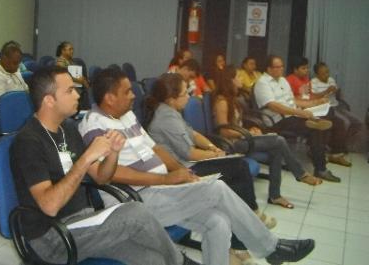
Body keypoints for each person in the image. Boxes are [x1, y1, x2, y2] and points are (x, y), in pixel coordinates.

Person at [79, 67, 315, 265]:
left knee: (218, 222)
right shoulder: (94, 124)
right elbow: (110, 174)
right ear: (109, 98)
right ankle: (270, 248)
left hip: (162, 190)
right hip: (135, 201)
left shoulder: (127, 117)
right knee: (217, 189)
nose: (133, 96)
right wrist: (165, 179)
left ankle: (268, 247)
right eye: (127, 91)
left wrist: (181, 172)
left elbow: (156, 149)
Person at [11, 66, 198, 265]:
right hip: (52, 238)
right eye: (69, 91)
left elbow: (102, 177)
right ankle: (183, 263)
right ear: (49, 100)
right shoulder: (28, 141)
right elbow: (50, 207)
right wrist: (86, 159)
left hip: (84, 223)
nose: (77, 94)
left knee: (154, 260)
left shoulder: (68, 129)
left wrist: (113, 154)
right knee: (136, 212)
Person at [213, 66, 322, 209]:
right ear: (231, 80)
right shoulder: (222, 101)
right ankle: (300, 173)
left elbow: (236, 124)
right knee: (279, 140)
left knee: (276, 149)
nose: (241, 79)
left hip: (242, 139)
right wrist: (247, 133)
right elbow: (223, 131)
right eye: (238, 77)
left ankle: (275, 196)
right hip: (233, 144)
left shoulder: (232, 98)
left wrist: (250, 130)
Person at [254, 55, 340, 182]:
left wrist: (315, 103)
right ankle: (321, 168)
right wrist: (299, 113)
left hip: (292, 116)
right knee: (315, 128)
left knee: (322, 120)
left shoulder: (283, 80)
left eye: (282, 66)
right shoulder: (262, 83)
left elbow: (293, 100)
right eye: (277, 67)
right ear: (269, 68)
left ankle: (319, 160)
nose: (281, 69)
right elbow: (274, 106)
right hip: (277, 121)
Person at [285, 57, 351, 167]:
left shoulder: (306, 79)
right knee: (328, 117)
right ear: (295, 70)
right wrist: (314, 102)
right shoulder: (289, 80)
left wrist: (319, 100)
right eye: (303, 68)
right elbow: (291, 100)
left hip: (310, 106)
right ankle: (317, 150)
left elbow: (310, 96)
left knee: (339, 122)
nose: (306, 71)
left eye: (307, 68)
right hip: (300, 110)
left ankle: (335, 154)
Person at [312, 62, 367, 158]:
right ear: (317, 74)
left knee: (358, 122)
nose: (327, 75)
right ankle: (335, 147)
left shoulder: (331, 79)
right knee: (345, 122)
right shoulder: (313, 82)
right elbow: (313, 97)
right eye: (324, 73)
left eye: (327, 72)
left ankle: (342, 143)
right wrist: (327, 91)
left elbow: (336, 94)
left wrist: (337, 92)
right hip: (327, 108)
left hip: (338, 106)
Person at [0, 42, 28, 127]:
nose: (18, 67)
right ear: (4, 59)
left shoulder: (14, 70)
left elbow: (26, 90)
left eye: (18, 63)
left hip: (17, 108)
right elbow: (3, 105)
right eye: (15, 63)